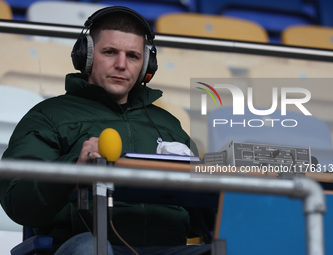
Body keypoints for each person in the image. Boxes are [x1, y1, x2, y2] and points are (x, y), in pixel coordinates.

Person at [0, 6, 211, 255]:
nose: (121, 65)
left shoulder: (169, 124)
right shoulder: (48, 115)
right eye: (110, 52)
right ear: (86, 56)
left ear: (146, 64)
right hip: (87, 246)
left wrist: (216, 183)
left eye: (132, 56)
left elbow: (202, 223)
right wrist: (73, 167)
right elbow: (18, 201)